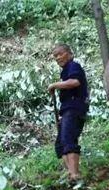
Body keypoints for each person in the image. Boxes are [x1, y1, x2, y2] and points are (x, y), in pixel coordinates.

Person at [47, 44, 89, 182]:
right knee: (61, 144)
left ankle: (75, 174)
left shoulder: (73, 66)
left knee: (69, 139)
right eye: (55, 56)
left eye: (60, 54)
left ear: (69, 53)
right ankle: (70, 173)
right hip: (67, 110)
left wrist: (55, 85)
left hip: (74, 107)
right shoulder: (65, 70)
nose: (58, 58)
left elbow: (75, 82)